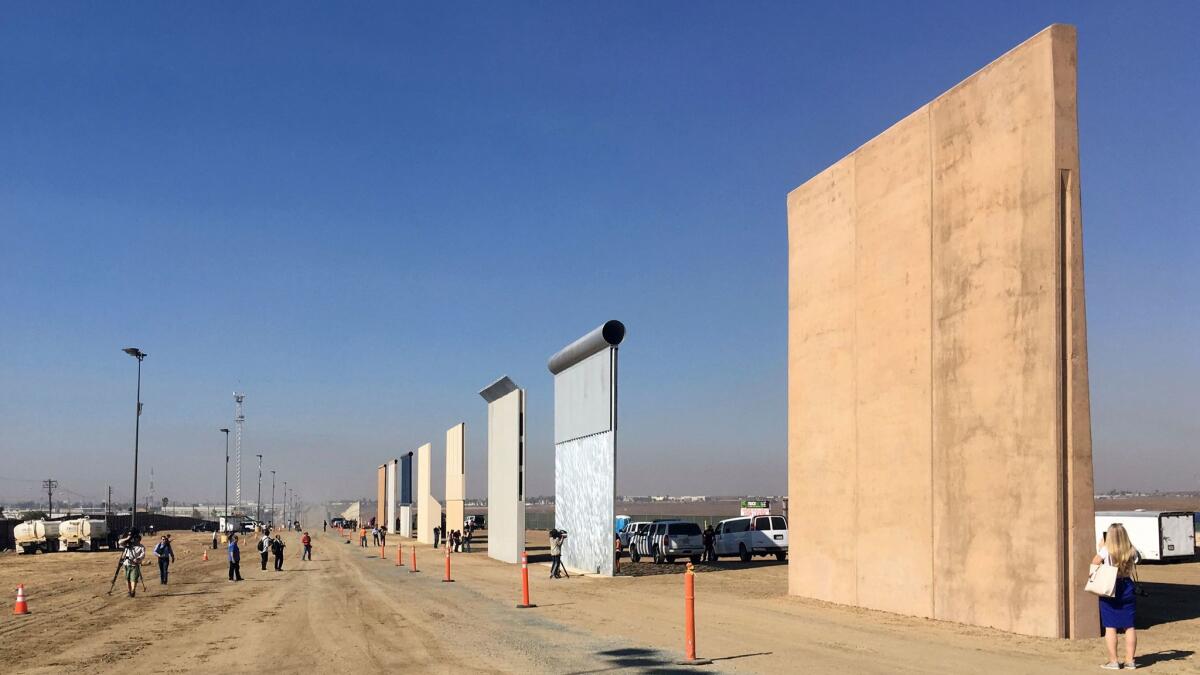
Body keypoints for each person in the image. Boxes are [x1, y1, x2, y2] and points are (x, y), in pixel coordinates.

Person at [1093, 523, 1141, 670]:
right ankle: (1130, 660)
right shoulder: (1131, 549)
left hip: (1110, 586)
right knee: (1129, 625)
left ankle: (1114, 660)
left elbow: (1094, 563)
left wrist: (1101, 547)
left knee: (1110, 625)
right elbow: (1138, 560)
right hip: (1126, 585)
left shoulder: (1106, 550)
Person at [120, 532, 146, 597]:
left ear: (139, 540)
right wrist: (127, 538)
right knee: (127, 579)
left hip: (135, 565)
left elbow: (143, 555)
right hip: (126, 564)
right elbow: (120, 542)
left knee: (133, 579)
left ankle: (133, 591)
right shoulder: (128, 545)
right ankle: (129, 591)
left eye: (136, 539)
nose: (134, 540)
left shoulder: (141, 547)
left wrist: (138, 559)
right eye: (134, 539)